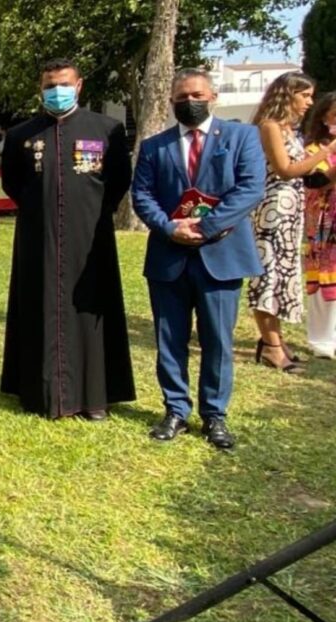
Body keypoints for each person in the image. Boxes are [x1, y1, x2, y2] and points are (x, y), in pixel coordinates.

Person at [131, 68, 266, 451]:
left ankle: (214, 415)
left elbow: (250, 188)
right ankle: (175, 409)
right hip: (168, 256)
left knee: (217, 341)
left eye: (196, 95)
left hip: (221, 256)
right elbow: (142, 195)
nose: (189, 102)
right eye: (180, 97)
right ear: (171, 102)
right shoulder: (155, 146)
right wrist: (169, 227)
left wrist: (207, 228)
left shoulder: (243, 137)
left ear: (213, 96)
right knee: (169, 339)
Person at [0, 58, 135, 419]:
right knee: (38, 306)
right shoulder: (21, 135)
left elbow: (119, 180)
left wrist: (88, 210)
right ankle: (39, 392)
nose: (55, 91)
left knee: (90, 312)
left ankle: (94, 396)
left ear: (78, 86)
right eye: (48, 85)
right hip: (37, 237)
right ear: (40, 88)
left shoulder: (107, 129)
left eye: (62, 83)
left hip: (89, 237)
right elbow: (13, 183)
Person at [247, 72, 335, 373]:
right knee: (268, 276)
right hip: (273, 209)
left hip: (291, 211)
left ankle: (275, 341)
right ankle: (271, 346)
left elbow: (304, 175)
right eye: (305, 95)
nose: (309, 102)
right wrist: (328, 150)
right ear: (288, 94)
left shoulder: (289, 129)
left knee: (282, 276)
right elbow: (285, 169)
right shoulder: (270, 126)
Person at [302, 93, 336, 358]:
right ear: (325, 118)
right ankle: (322, 340)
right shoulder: (313, 149)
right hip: (326, 226)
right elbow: (314, 183)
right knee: (326, 278)